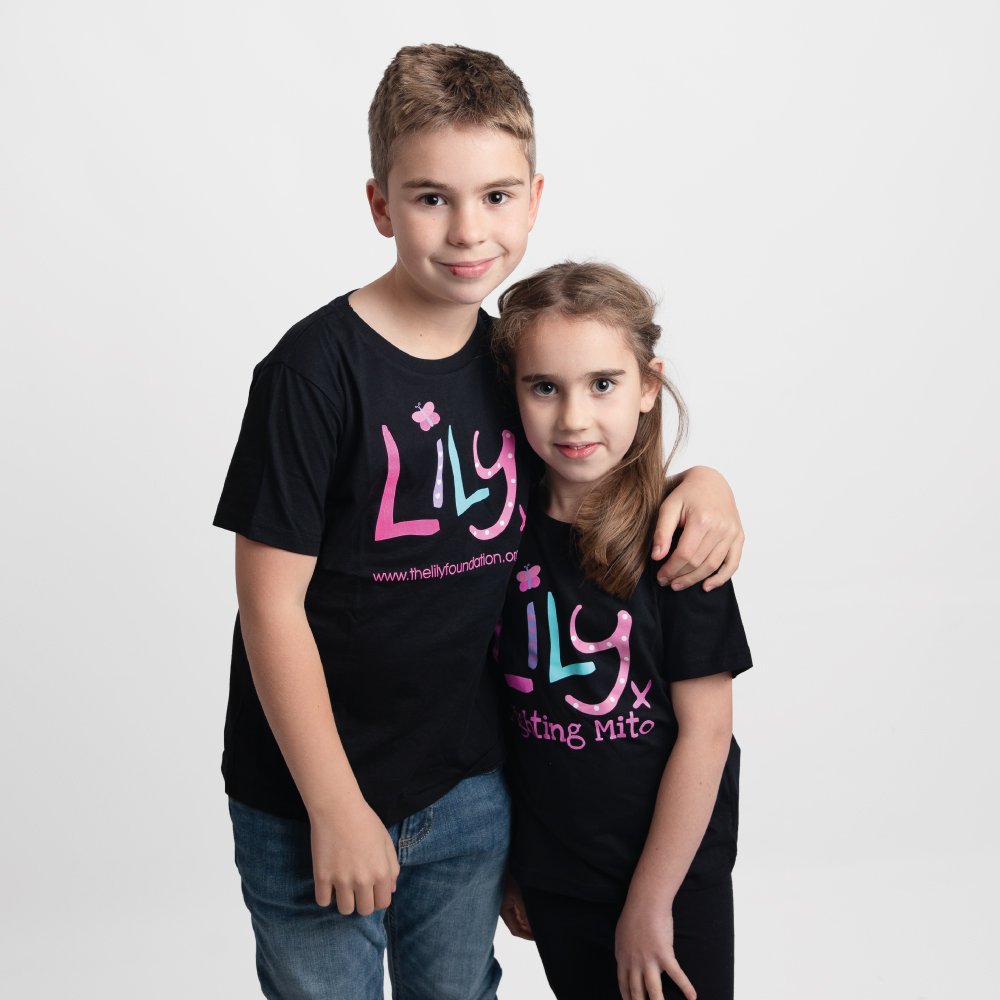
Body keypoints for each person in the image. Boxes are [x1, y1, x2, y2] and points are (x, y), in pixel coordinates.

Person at [214, 45, 745, 1000]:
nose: (469, 230)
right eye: (431, 198)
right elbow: (269, 607)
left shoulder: (513, 363)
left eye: (497, 197)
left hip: (465, 795)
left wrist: (705, 479)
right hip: (311, 802)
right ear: (380, 203)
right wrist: (334, 803)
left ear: (535, 198)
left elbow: (603, 442)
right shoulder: (312, 374)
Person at [492, 262, 753, 1000]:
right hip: (556, 880)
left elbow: (707, 734)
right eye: (545, 387)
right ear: (513, 389)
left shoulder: (681, 540)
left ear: (647, 384)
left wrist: (651, 901)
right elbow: (499, 713)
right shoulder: (493, 539)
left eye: (603, 384)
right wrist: (517, 864)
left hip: (674, 883)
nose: (574, 418)